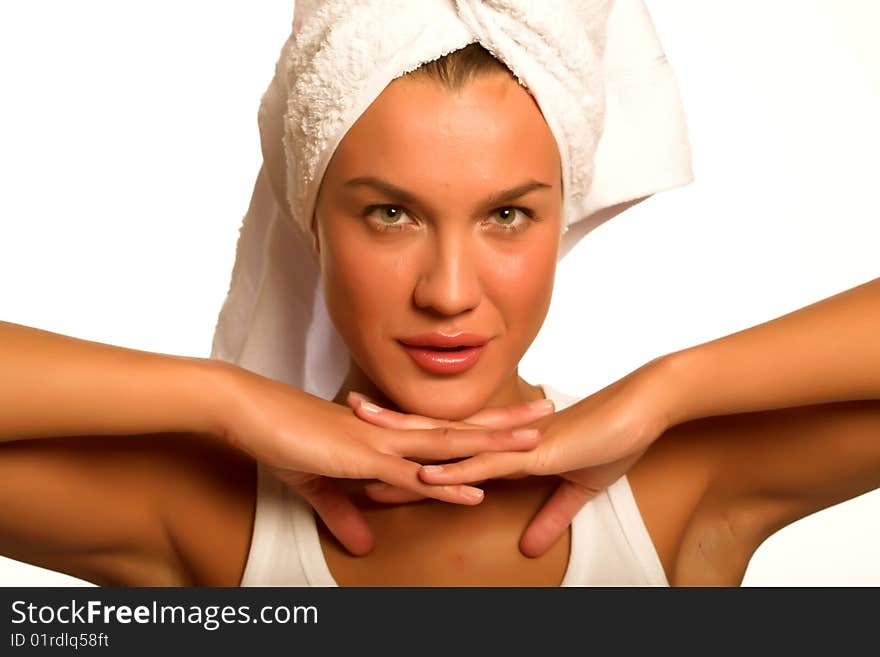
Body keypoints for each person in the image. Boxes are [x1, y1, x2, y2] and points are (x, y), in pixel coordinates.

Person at [2, 1, 879, 587]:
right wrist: (224, 400)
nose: (449, 293)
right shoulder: (200, 514)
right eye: (390, 213)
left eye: (507, 214)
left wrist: (668, 390)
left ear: (561, 217)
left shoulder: (683, 487)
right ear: (312, 222)